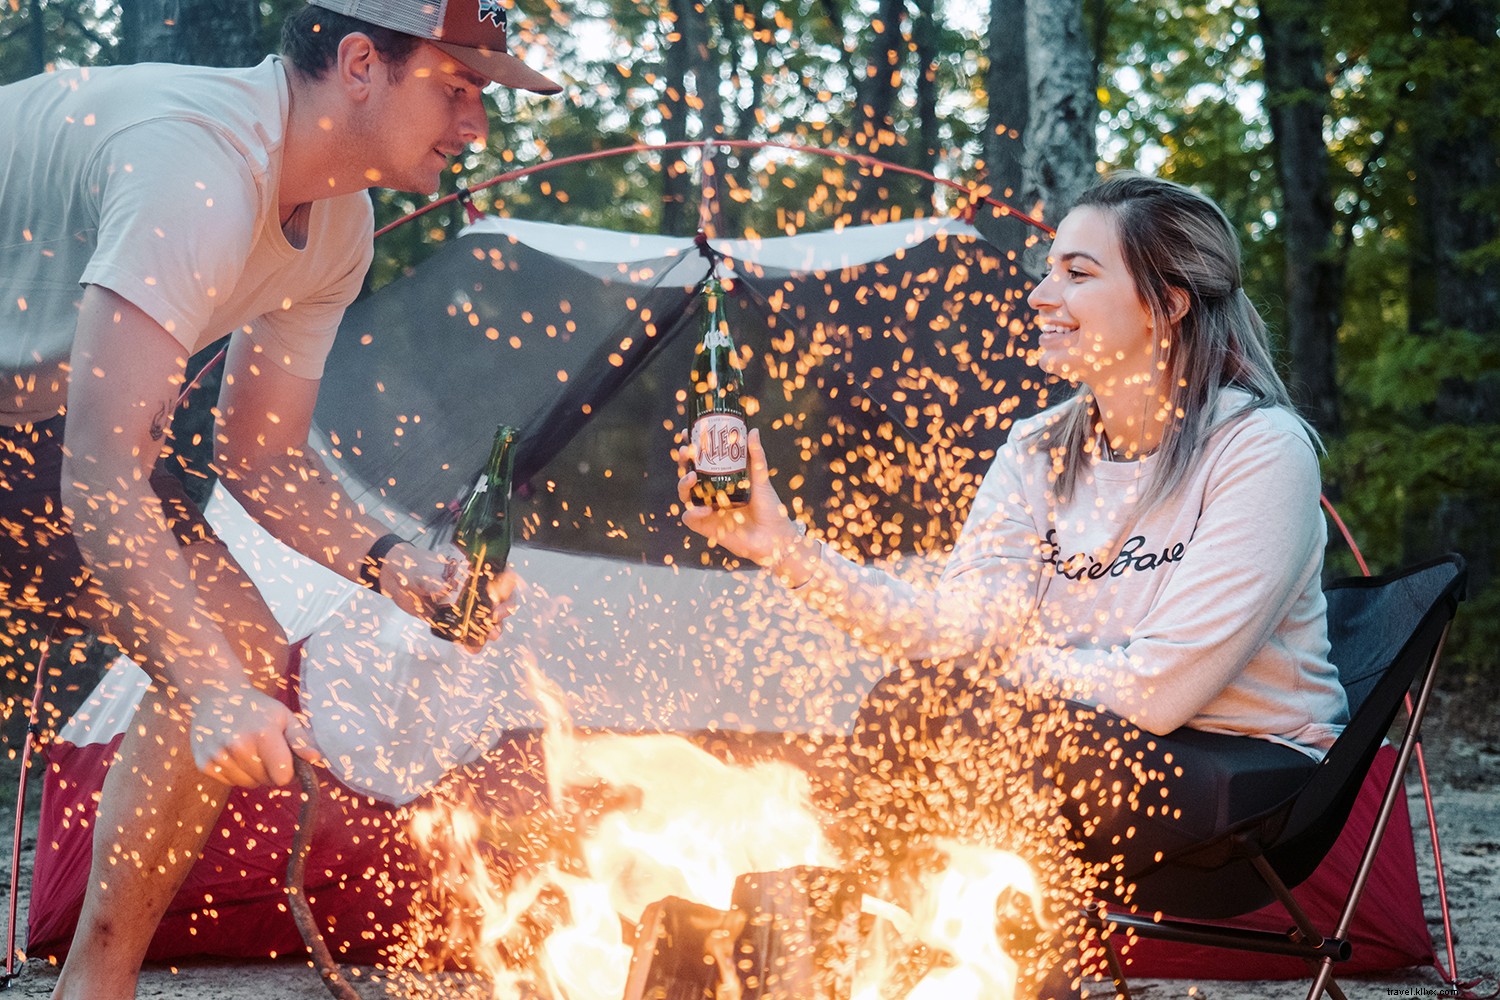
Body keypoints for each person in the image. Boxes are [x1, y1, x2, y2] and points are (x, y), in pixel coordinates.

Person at [0, 2, 558, 997]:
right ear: (358, 62)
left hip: (36, 418)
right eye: (458, 88)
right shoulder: (198, 167)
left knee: (239, 644)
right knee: (213, 666)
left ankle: (96, 986)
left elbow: (258, 456)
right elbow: (100, 470)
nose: (476, 124)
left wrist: (396, 567)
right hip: (59, 432)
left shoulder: (338, 223)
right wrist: (208, 690)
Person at [678, 172, 1351, 995]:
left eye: (1077, 273)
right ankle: (876, 966)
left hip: (1244, 777)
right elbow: (957, 634)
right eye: (1049, 270)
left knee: (999, 734)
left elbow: (1159, 691)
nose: (1041, 295)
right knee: (909, 703)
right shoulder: (1038, 449)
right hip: (1068, 743)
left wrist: (993, 671)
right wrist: (782, 547)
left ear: (1167, 303)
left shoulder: (1259, 450)